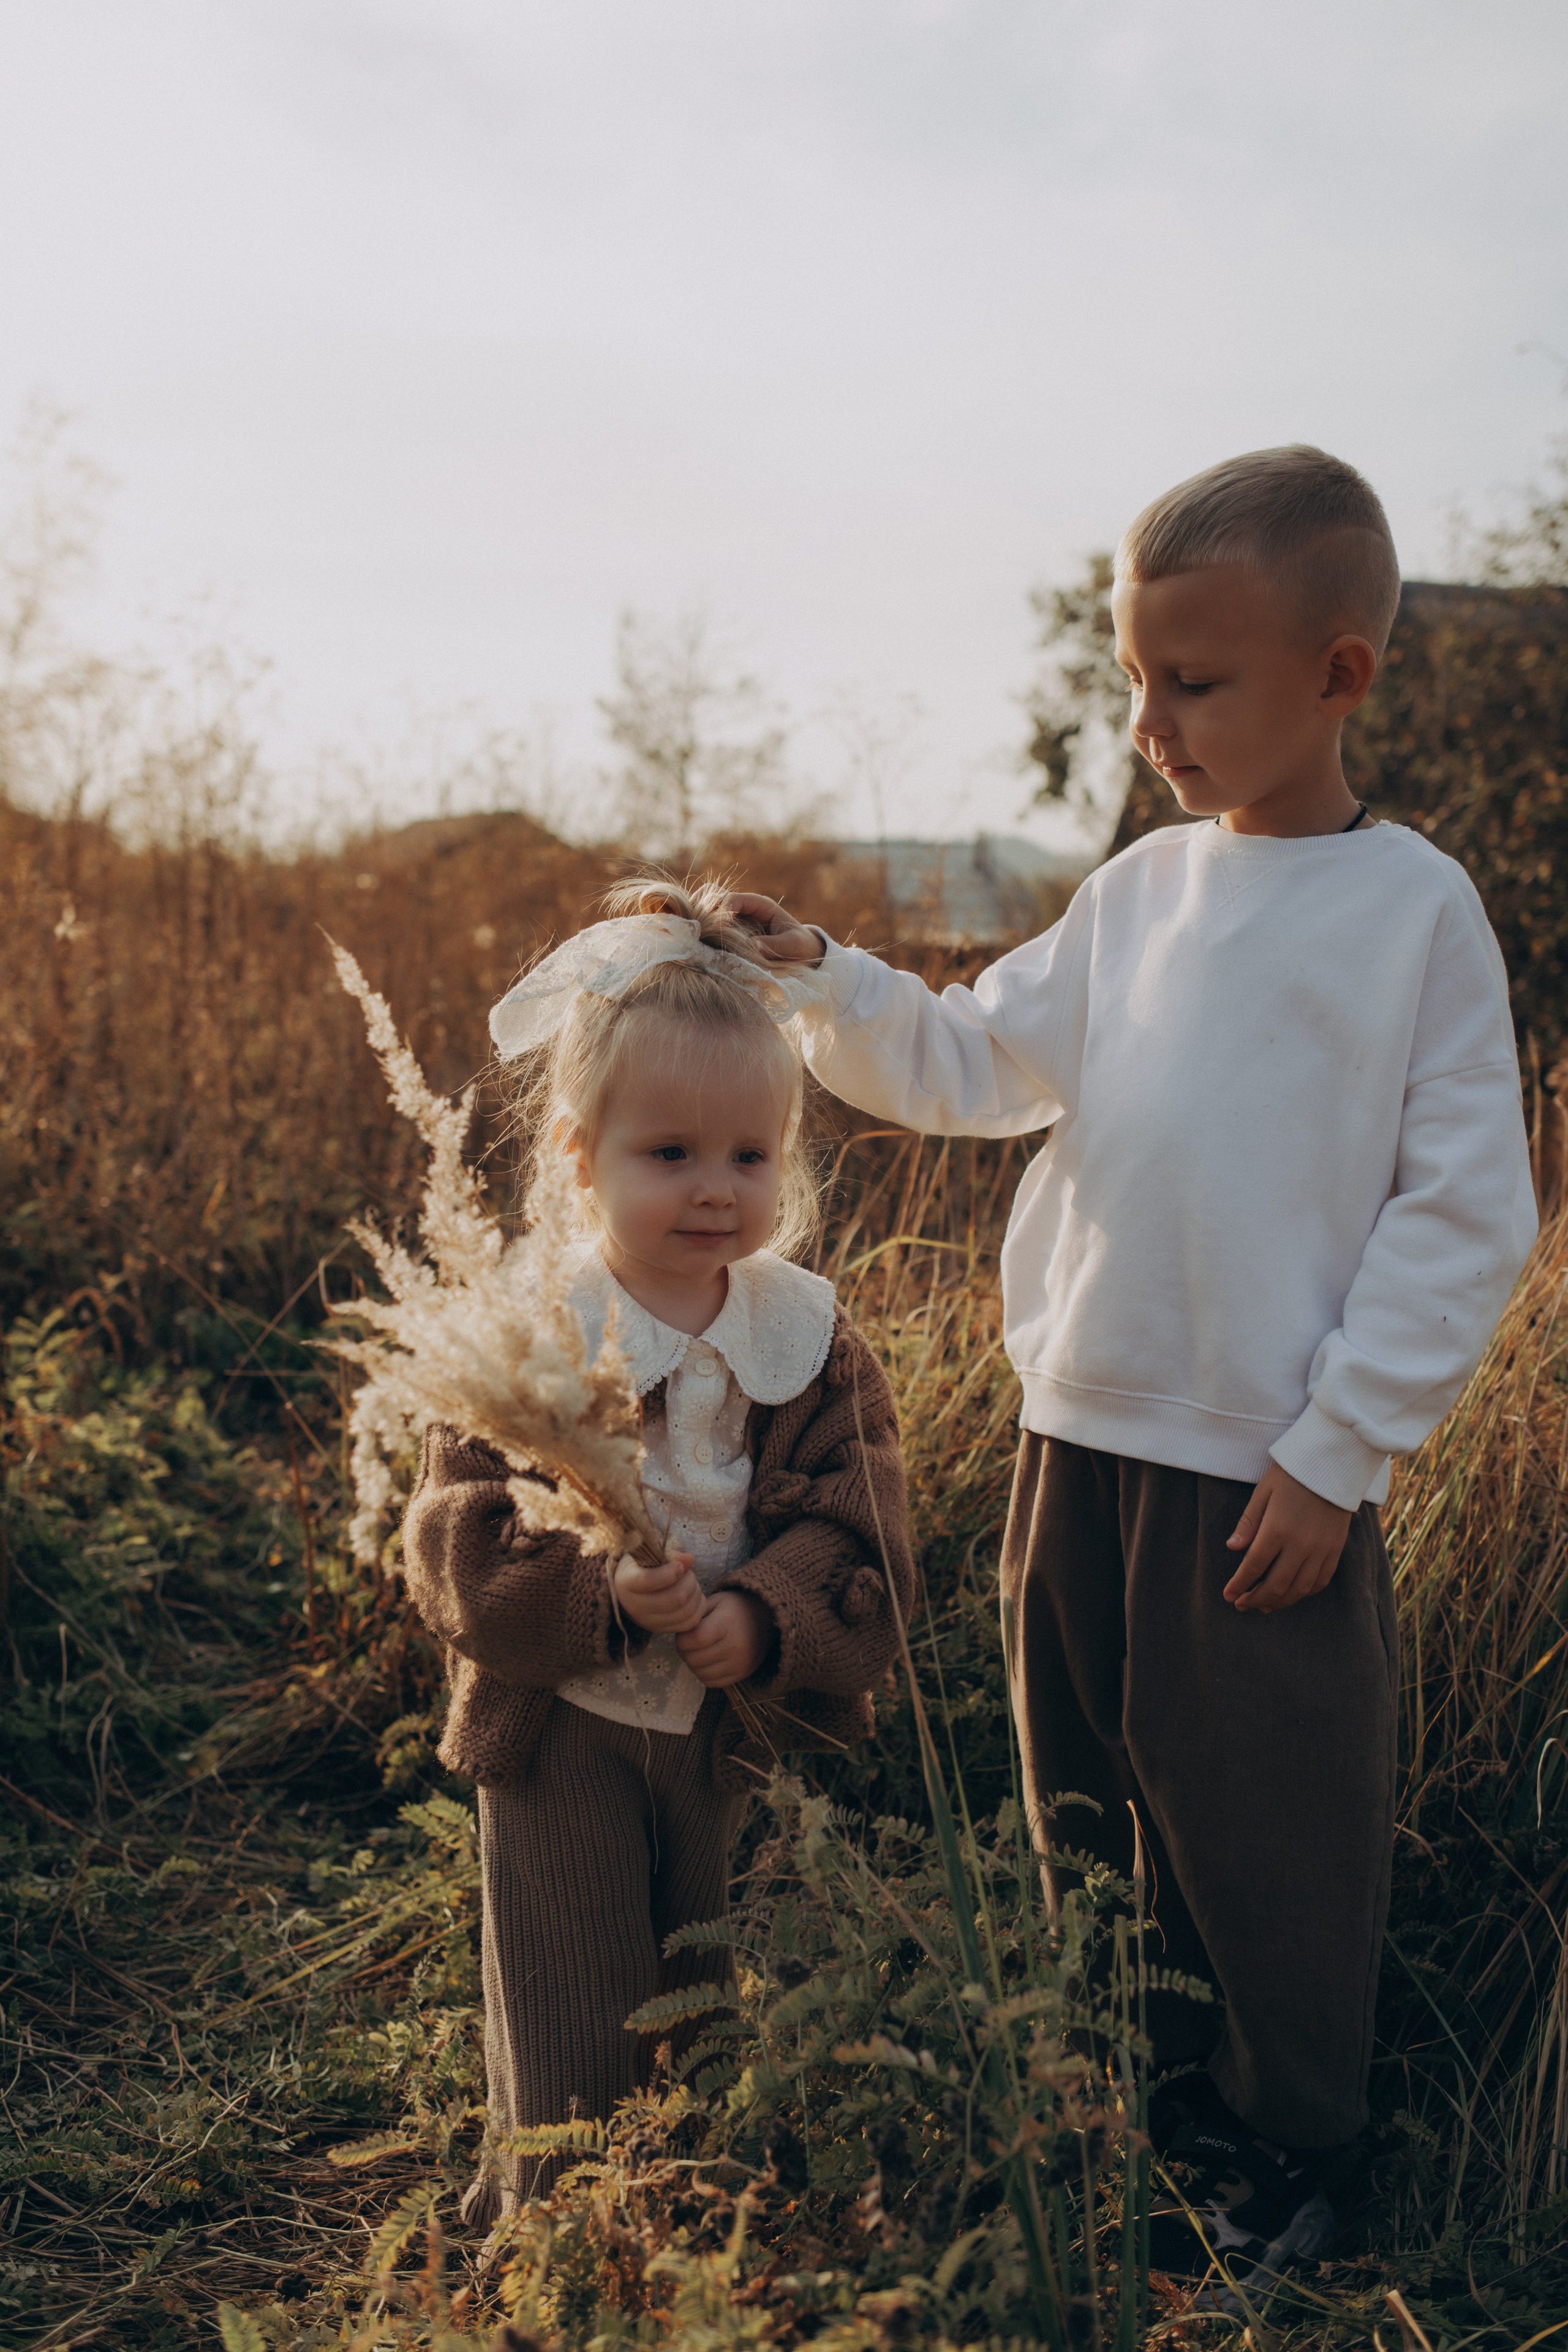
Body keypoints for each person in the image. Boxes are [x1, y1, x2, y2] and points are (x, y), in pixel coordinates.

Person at [729, 445, 1537, 2286]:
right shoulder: (1137, 898)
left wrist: (1340, 1454)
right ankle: (1138, 2109)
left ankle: (1292, 2156)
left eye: (1199, 683)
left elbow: (1463, 1213)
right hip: (1074, 1437)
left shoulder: (1414, 912)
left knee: (1266, 1821)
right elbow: (962, 1066)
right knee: (1081, 1801)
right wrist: (822, 976)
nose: (1156, 723)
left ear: (1342, 675)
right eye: (1136, 681)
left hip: (1268, 1475)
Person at [400, 878, 914, 2218]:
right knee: (571, 1987)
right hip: (561, 1727)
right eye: (669, 1154)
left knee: (715, 1984)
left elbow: (863, 1521)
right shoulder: (537, 1331)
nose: (713, 1191)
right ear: (579, 1155)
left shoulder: (803, 1337)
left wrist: (760, 1616)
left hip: (725, 1734)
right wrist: (591, 1588)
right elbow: (452, 1536)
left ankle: (697, 2222)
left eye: (749, 1157)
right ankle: (561, 2230)